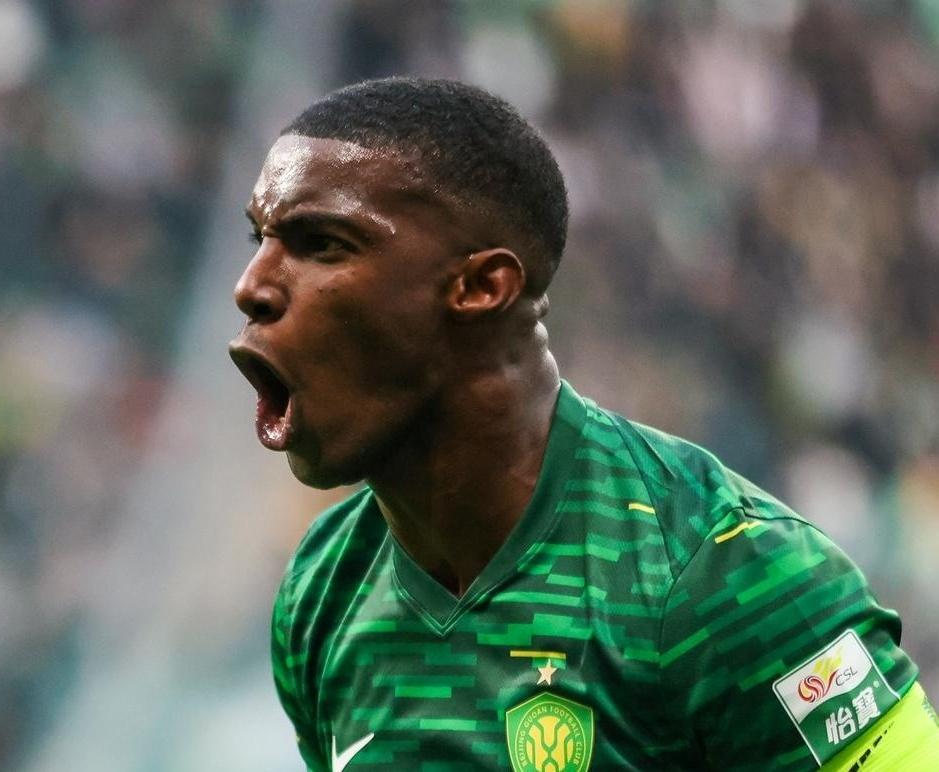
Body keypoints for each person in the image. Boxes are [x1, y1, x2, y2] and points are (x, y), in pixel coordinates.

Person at [227, 78, 939, 771]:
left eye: (322, 243)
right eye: (260, 238)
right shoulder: (323, 591)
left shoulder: (721, 574)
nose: (250, 286)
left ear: (481, 287)